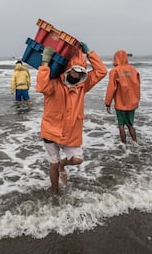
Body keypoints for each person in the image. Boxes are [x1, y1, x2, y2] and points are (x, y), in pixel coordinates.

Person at [36, 42, 107, 194]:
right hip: (50, 131)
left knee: (77, 159)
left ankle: (63, 164)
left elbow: (101, 71)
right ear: (68, 69)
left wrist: (89, 52)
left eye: (81, 72)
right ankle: (55, 191)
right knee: (53, 164)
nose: (77, 75)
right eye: (75, 71)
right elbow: (41, 87)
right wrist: (45, 62)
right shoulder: (54, 83)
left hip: (70, 133)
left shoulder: (83, 86)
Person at [105, 49, 141, 145]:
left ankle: (124, 146)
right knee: (130, 125)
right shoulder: (133, 70)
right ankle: (135, 143)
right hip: (132, 103)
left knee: (121, 125)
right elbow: (137, 86)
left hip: (121, 103)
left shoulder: (115, 71)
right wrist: (136, 101)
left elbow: (111, 88)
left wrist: (107, 103)